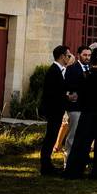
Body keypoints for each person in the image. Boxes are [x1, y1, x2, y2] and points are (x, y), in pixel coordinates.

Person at [64, 48, 97, 179]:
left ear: (91, 60)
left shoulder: (86, 75)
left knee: (82, 142)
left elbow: (80, 93)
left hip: (88, 111)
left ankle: (75, 170)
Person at [40, 45, 72, 175]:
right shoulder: (54, 71)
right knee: (50, 138)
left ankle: (47, 165)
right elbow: (53, 93)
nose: (69, 58)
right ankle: (45, 166)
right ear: (62, 56)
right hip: (53, 109)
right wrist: (67, 97)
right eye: (68, 55)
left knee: (52, 137)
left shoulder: (59, 70)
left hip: (56, 109)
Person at [62, 45, 91, 168]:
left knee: (85, 137)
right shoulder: (72, 69)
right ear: (79, 55)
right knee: (72, 136)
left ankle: (82, 161)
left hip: (88, 108)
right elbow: (68, 86)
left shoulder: (92, 69)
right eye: (85, 55)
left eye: (89, 55)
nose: (87, 57)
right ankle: (68, 162)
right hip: (75, 107)